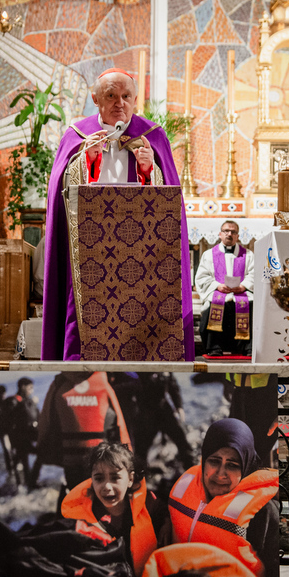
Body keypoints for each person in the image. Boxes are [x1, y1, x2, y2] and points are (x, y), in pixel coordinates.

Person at [41, 69, 194, 361]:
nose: (119, 103)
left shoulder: (154, 136)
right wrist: (88, 158)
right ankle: (80, 366)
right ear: (96, 100)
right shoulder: (77, 135)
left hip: (143, 253)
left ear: (135, 100)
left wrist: (150, 169)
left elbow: (169, 201)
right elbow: (62, 194)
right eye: (111, 96)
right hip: (90, 249)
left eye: (126, 97)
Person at [167, 419, 279, 577]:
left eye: (232, 465)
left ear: (246, 466)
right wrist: (165, 521)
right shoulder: (183, 486)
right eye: (214, 461)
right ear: (204, 460)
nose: (220, 474)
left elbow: (274, 574)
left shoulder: (265, 512)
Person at [61, 442, 166, 577]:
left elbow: (166, 511)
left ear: (130, 479)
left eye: (115, 477)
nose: (107, 486)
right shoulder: (80, 520)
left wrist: (167, 522)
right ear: (91, 480)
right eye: (99, 478)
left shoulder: (149, 505)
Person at [37, 371, 132, 487]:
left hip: (70, 458)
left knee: (76, 494)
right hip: (100, 457)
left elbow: (44, 422)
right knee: (99, 496)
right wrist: (129, 455)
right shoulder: (102, 381)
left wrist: (41, 449)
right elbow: (120, 423)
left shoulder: (58, 384)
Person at [194, 221, 254, 356]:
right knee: (213, 305)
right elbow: (202, 277)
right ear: (220, 234)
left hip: (242, 293)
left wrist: (243, 286)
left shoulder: (248, 255)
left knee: (251, 305)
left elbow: (254, 274)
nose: (229, 234)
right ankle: (214, 348)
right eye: (226, 231)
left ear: (238, 236)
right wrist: (217, 286)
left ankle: (247, 348)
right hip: (218, 292)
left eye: (233, 232)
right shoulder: (209, 254)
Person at [134, 372, 194, 470]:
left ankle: (192, 472)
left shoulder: (164, 367)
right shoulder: (139, 368)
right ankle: (139, 479)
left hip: (164, 410)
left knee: (182, 441)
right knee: (141, 450)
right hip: (146, 413)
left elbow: (173, 385)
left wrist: (179, 407)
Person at [8, 377, 41, 489]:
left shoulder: (28, 401)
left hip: (29, 435)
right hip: (20, 438)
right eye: (30, 388)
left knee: (37, 456)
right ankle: (26, 484)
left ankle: (29, 482)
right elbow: (10, 420)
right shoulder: (13, 401)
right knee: (24, 461)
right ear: (23, 387)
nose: (31, 391)